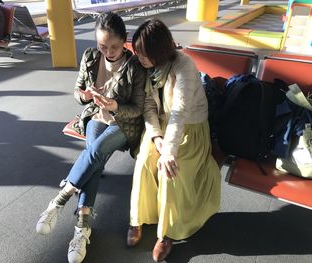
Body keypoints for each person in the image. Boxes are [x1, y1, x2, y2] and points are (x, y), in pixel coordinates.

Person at [35, 12, 146, 263]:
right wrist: (85, 96)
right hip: (96, 116)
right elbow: (78, 91)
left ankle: (59, 200)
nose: (108, 51)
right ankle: (83, 228)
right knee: (94, 162)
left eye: (115, 46)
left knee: (95, 153)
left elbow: (137, 109)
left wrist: (114, 105)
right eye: (102, 45)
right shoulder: (90, 56)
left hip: (123, 123)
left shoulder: (135, 67)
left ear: (125, 40)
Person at [126, 19, 221, 262]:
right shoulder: (149, 67)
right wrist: (156, 136)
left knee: (170, 169)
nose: (139, 58)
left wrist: (168, 151)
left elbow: (180, 112)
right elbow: (148, 105)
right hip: (162, 125)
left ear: (158, 51)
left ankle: (166, 233)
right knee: (145, 158)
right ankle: (138, 218)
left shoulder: (184, 65)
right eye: (138, 53)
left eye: (144, 54)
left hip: (189, 127)